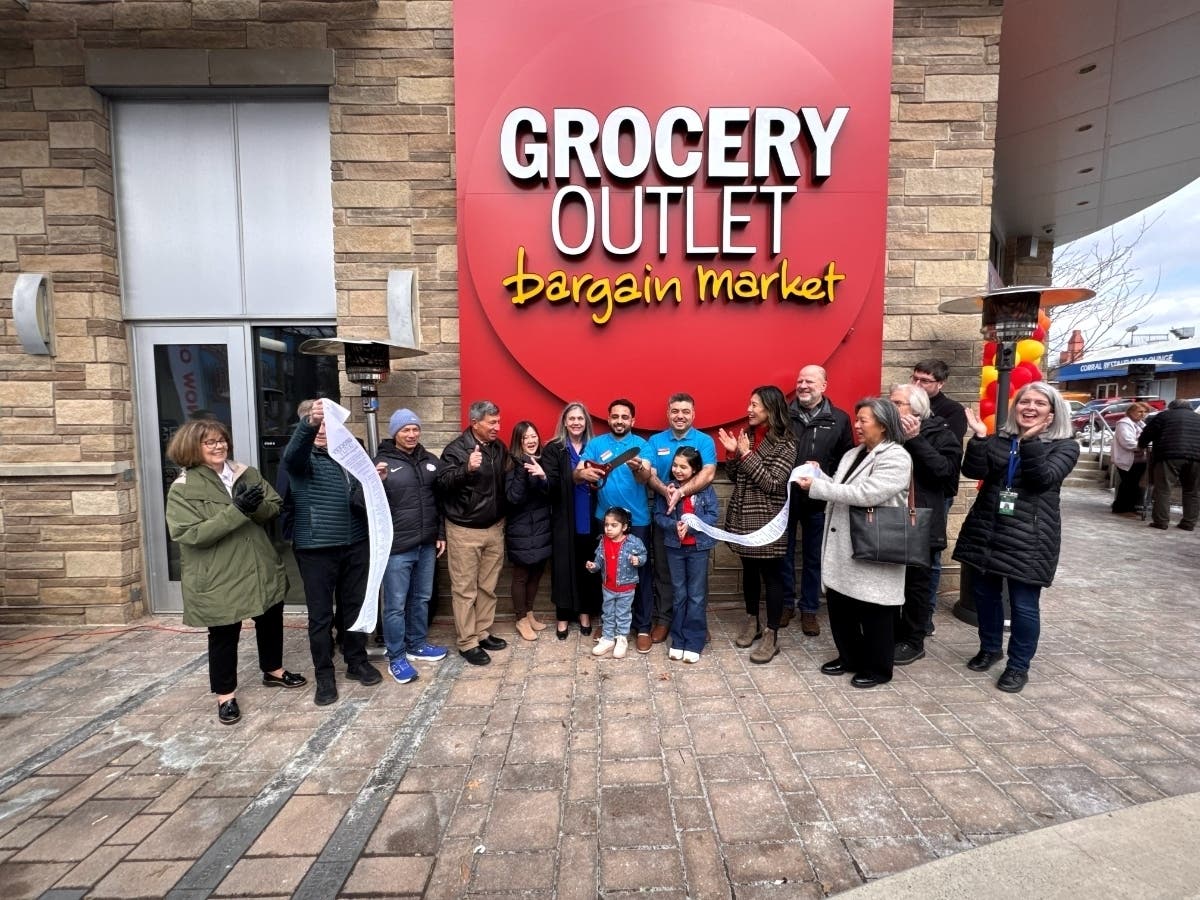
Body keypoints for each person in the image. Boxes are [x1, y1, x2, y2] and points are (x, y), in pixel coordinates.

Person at [166, 419, 306, 726]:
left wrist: (254, 507)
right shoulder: (184, 489)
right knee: (224, 633)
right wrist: (237, 510)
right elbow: (190, 534)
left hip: (258, 564)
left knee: (270, 619)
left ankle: (273, 670)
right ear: (192, 448)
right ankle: (225, 695)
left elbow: (274, 506)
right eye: (210, 442)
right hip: (220, 573)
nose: (219, 446)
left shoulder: (245, 473)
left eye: (222, 440)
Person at [953, 382, 1079, 693]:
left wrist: (1031, 441)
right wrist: (979, 438)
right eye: (1025, 401)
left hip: (1030, 538)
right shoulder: (1000, 439)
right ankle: (990, 648)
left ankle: (1018, 666)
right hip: (988, 530)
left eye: (1040, 403)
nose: (1030, 407)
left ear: (1052, 412)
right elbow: (974, 471)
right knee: (985, 596)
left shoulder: (1064, 446)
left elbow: (1042, 479)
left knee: (1024, 606)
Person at [799, 398, 912, 689]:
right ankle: (849, 657)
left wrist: (819, 487)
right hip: (844, 545)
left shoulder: (896, 456)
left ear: (883, 425)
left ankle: (878, 669)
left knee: (875, 610)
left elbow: (867, 494)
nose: (857, 425)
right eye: (857, 419)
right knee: (841, 606)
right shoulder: (854, 453)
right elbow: (842, 487)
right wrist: (820, 475)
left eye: (863, 420)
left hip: (875, 543)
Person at [283, 399, 382, 706]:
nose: (325, 429)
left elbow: (358, 494)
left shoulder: (349, 454)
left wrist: (374, 480)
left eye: (329, 423)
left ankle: (356, 661)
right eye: (319, 423)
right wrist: (309, 424)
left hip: (355, 543)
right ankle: (324, 674)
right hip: (317, 548)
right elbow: (292, 455)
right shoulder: (301, 457)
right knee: (321, 615)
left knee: (354, 607)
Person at [368, 408, 447, 686]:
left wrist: (439, 533)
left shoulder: (430, 460)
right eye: (405, 430)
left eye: (415, 429)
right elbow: (358, 502)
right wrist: (374, 483)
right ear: (395, 433)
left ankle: (417, 644)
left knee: (421, 598)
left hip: (426, 544)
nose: (412, 434)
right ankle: (396, 656)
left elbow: (438, 502)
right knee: (395, 606)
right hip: (397, 547)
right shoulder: (380, 463)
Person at [719, 385, 797, 664]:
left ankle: (771, 634)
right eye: (749, 404)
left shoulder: (786, 443)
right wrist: (732, 454)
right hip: (743, 516)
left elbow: (773, 483)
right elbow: (734, 476)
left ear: (771, 408)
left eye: (754, 405)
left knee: (772, 577)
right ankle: (752, 620)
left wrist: (746, 455)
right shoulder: (748, 436)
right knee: (749, 571)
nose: (748, 410)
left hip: (767, 519)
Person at [889, 384, 962, 664]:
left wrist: (915, 440)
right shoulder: (889, 434)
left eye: (898, 403)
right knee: (892, 580)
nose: (891, 407)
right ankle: (893, 633)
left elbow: (945, 474)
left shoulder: (940, 433)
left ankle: (913, 640)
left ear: (917, 410)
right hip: (890, 519)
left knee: (916, 585)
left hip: (920, 520)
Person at [575, 399, 653, 650]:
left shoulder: (641, 445)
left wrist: (639, 468)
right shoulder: (596, 444)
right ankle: (609, 624)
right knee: (606, 571)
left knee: (640, 572)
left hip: (637, 521)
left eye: (625, 417)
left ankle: (642, 627)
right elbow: (578, 472)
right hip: (605, 520)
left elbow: (646, 476)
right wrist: (582, 474)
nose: (620, 421)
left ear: (633, 420)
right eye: (615, 416)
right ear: (608, 418)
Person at [436, 400, 509, 665]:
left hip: (494, 528)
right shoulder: (456, 450)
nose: (497, 427)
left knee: (488, 587)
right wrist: (466, 470)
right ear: (475, 423)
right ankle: (467, 642)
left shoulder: (498, 448)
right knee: (465, 590)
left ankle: (482, 632)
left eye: (498, 422)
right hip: (464, 530)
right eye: (492, 422)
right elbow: (442, 483)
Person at [783, 365, 854, 636]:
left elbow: (846, 460)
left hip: (820, 500)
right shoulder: (783, 415)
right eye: (800, 380)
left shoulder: (839, 419)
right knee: (784, 554)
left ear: (824, 386)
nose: (803, 385)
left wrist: (825, 476)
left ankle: (809, 609)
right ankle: (786, 604)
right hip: (786, 498)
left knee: (814, 557)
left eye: (809, 381)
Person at [644, 393, 718, 647]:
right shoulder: (655, 441)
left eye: (685, 411)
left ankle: (695, 623)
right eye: (675, 411)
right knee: (664, 572)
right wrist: (666, 491)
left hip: (695, 518)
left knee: (696, 579)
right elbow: (651, 473)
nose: (680, 416)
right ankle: (665, 620)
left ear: (693, 414)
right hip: (665, 515)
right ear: (668, 413)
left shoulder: (704, 441)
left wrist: (681, 492)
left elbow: (708, 473)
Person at [911, 358, 967, 634]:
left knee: (930, 554)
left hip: (936, 492)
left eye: (925, 380)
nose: (918, 384)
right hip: (910, 491)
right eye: (915, 378)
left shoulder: (951, 412)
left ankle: (926, 613)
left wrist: (916, 437)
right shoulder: (905, 406)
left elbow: (945, 459)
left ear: (940, 384)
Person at [653, 447, 719, 663]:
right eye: (675, 465)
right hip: (675, 548)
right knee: (679, 593)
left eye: (684, 467)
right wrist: (674, 525)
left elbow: (712, 515)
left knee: (696, 595)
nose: (678, 470)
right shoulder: (668, 489)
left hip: (698, 549)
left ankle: (694, 641)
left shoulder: (705, 489)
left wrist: (691, 526)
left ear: (695, 469)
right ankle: (678, 639)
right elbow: (659, 516)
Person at [541, 401, 601, 639]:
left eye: (580, 418)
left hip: (590, 516)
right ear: (564, 422)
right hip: (564, 517)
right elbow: (552, 486)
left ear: (586, 422)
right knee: (563, 568)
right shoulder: (554, 448)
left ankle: (585, 613)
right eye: (572, 418)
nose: (576, 422)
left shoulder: (593, 447)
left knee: (587, 565)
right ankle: (563, 616)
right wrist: (574, 476)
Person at [504, 420, 553, 641]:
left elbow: (550, 493)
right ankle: (521, 618)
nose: (531, 440)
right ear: (519, 441)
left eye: (534, 436)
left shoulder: (542, 461)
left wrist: (543, 476)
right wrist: (522, 469)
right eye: (526, 437)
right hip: (521, 528)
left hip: (542, 526)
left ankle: (530, 613)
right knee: (521, 575)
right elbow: (513, 498)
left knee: (537, 572)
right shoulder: (511, 464)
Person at [585, 506, 647, 659]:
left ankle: (621, 639)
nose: (609, 529)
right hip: (608, 587)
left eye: (614, 525)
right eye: (606, 525)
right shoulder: (603, 541)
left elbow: (643, 555)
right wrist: (593, 566)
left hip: (626, 588)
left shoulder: (633, 542)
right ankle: (607, 638)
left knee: (623, 614)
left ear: (624, 527)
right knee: (608, 613)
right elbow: (599, 562)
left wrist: (638, 560)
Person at [1138, 398, 1200, 531]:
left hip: (1169, 456)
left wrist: (1141, 444)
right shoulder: (1198, 418)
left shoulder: (1164, 416)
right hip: (1196, 458)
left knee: (1163, 489)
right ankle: (1189, 523)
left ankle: (1161, 521)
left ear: (1171, 407)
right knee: (1192, 490)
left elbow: (1148, 432)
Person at [1110, 402, 1151, 517]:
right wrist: (1142, 446)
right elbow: (1127, 442)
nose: (1143, 414)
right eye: (1140, 411)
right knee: (1128, 484)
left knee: (1134, 484)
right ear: (1131, 412)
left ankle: (1130, 508)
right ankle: (1121, 509)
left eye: (1145, 412)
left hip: (1139, 460)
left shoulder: (1140, 424)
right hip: (1127, 459)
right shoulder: (1124, 424)